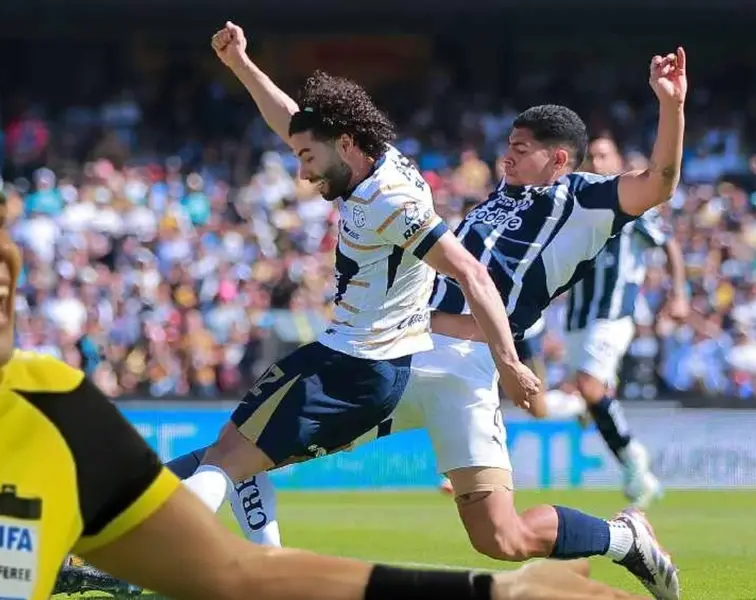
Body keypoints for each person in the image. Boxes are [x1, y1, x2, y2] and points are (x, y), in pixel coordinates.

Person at [0, 126, 643, 600]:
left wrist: (489, 598)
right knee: (233, 461)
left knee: (233, 466)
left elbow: (236, 579)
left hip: (406, 363)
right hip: (388, 361)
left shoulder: (53, 404)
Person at [221, 48, 691, 600]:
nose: (506, 156)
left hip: (467, 366)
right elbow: (308, 131)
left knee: (501, 537)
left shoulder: (588, 200)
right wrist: (244, 65)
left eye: (521, 148)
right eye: (508, 144)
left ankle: (623, 538)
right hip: (401, 350)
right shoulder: (496, 198)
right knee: (246, 452)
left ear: (559, 158)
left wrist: (671, 106)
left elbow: (660, 181)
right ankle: (220, 561)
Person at [165, 21, 542, 534]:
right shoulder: (375, 160)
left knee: (225, 460)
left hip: (353, 365)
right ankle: (262, 568)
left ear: (344, 144)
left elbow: (471, 273)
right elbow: (292, 122)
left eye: (307, 158)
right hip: (362, 364)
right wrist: (241, 65)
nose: (303, 173)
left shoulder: (389, 202)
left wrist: (509, 363)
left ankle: (154, 551)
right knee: (238, 458)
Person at [563, 135, 691, 508]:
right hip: (576, 319)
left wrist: (679, 294)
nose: (597, 163)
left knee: (588, 388)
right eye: (592, 157)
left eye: (605, 156)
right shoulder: (577, 204)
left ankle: (635, 458)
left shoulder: (632, 204)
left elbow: (668, 244)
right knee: (588, 397)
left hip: (612, 314)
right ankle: (636, 473)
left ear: (618, 161)